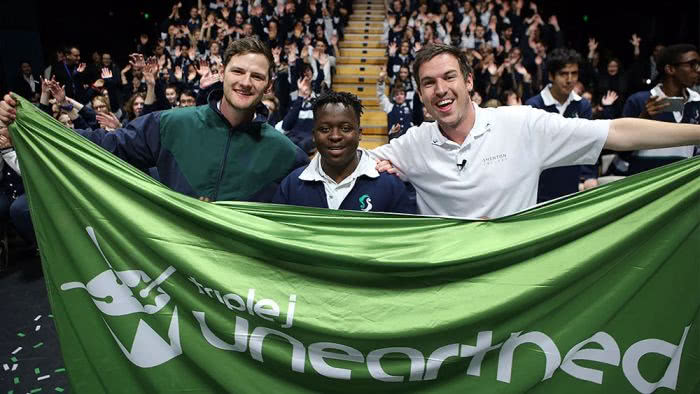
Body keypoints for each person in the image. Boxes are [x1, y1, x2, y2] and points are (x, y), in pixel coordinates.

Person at [370, 44, 700, 219]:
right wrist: (376, 169)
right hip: (445, 285)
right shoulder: (413, 143)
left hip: (513, 284)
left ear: (469, 81)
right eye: (429, 83)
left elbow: (616, 133)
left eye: (449, 77)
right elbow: (342, 167)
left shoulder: (522, 123)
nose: (440, 89)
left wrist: (696, 134)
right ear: (420, 93)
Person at [0, 37, 308, 202]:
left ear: (268, 85)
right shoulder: (171, 124)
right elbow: (103, 145)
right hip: (173, 271)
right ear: (221, 72)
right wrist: (31, 130)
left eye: (257, 76)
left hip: (240, 284)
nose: (245, 82)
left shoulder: (285, 153)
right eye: (238, 71)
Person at [273, 91, 415, 214]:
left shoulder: (390, 185)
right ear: (314, 135)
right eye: (324, 129)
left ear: (359, 134)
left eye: (345, 128)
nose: (335, 136)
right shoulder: (291, 185)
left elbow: (405, 241)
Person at [525, 48, 599, 203]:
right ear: (551, 76)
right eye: (564, 74)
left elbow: (588, 143)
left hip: (571, 184)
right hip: (540, 187)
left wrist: (589, 176)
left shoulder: (582, 105)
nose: (570, 79)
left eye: (574, 73)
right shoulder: (534, 106)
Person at [619, 44, 700, 174]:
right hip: (645, 184)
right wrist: (643, 119)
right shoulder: (638, 100)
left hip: (684, 186)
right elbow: (621, 151)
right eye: (692, 64)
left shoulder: (697, 102)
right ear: (670, 69)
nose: (698, 70)